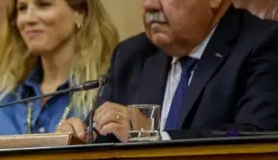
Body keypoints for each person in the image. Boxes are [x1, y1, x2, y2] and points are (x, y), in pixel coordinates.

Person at [58, 0, 278, 142]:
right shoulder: (131, 56)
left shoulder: (264, 44)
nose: (149, 5)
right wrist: (81, 136)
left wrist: (149, 135)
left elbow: (254, 136)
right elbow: (103, 134)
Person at [0, 0, 118, 137]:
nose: (28, 19)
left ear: (79, 13)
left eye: (43, 5)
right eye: (22, 8)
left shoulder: (107, 90)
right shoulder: (7, 97)